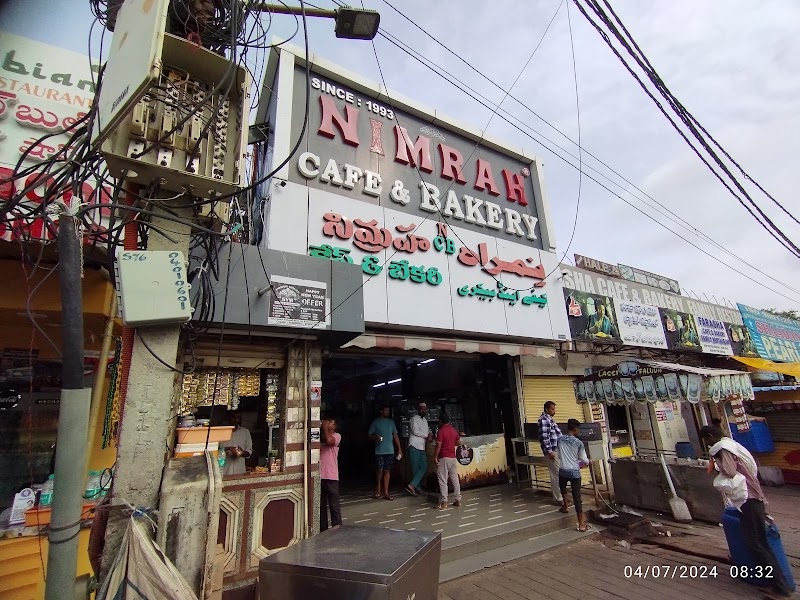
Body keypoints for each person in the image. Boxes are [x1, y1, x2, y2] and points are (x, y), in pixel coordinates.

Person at [700, 425, 793, 598]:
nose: (706, 443)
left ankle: (780, 586)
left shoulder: (723, 449)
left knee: (757, 543)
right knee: (758, 542)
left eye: (706, 440)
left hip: (748, 499)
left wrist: (718, 470)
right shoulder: (732, 445)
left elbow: (730, 470)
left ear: (711, 436)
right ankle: (779, 583)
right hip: (753, 496)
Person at [557, 419, 590, 532]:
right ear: (575, 429)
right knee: (577, 498)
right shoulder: (579, 443)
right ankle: (581, 524)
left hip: (563, 469)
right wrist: (588, 462)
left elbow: (559, 455)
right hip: (574, 472)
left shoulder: (560, 439)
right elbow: (584, 459)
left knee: (563, 488)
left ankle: (565, 506)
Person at [368, 405, 402, 500]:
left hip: (390, 450)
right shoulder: (376, 423)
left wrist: (399, 448)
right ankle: (378, 487)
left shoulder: (391, 422)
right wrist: (376, 437)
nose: (388, 412)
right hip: (379, 450)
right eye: (386, 410)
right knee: (380, 470)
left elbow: (395, 435)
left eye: (388, 410)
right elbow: (369, 435)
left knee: (387, 470)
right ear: (381, 411)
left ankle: (386, 492)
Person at [434, 412, 461, 509]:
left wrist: (435, 456)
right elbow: (459, 442)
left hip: (444, 458)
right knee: (455, 479)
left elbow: (438, 445)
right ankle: (457, 500)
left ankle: (444, 502)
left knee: (443, 480)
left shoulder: (441, 431)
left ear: (440, 421)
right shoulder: (454, 430)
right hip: (453, 458)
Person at [538, 401, 563, 505]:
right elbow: (544, 437)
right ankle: (559, 499)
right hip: (552, 451)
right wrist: (549, 451)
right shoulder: (544, 420)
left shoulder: (549, 419)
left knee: (559, 474)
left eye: (554, 409)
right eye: (552, 409)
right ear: (547, 409)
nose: (554, 411)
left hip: (556, 450)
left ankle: (561, 497)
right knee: (556, 475)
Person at [320, 416, 342, 531]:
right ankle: (323, 531)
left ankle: (337, 530)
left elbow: (329, 441)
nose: (327, 423)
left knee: (334, 507)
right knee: (321, 507)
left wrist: (324, 428)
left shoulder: (336, 436)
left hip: (331, 476)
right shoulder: (322, 437)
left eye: (330, 422)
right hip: (320, 476)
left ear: (334, 426)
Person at [406, 402, 432, 496]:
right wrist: (426, 436)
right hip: (414, 445)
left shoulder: (425, 420)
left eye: (424, 409)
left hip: (422, 446)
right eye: (421, 409)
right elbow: (415, 431)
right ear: (418, 409)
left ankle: (412, 485)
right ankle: (417, 488)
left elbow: (427, 432)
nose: (423, 410)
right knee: (415, 468)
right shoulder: (414, 419)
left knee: (424, 466)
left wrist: (429, 435)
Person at [222, 411, 252, 476]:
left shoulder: (245, 432)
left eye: (238, 418)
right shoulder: (222, 432)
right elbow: (216, 450)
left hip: (240, 470)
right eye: (233, 417)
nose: (235, 420)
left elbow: (249, 452)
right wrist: (228, 449)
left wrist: (241, 453)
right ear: (229, 418)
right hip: (225, 471)